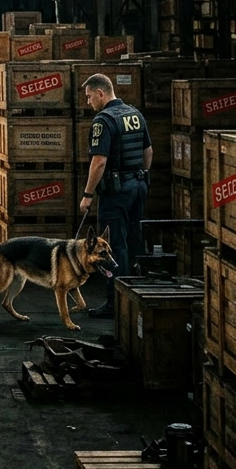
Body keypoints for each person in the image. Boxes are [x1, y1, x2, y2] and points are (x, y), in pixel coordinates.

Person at [78, 73, 153, 318]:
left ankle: (115, 304)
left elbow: (99, 162)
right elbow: (148, 151)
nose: (89, 103)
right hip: (138, 186)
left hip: (117, 191)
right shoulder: (134, 114)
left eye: (90, 97)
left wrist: (88, 194)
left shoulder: (104, 120)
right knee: (134, 239)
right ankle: (135, 296)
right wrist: (140, 175)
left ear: (101, 93)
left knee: (113, 247)